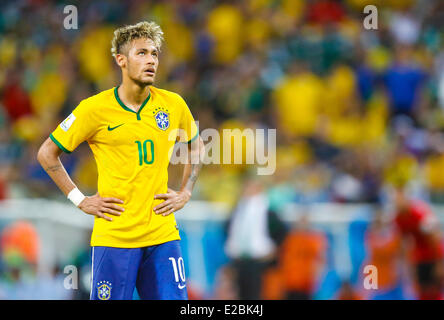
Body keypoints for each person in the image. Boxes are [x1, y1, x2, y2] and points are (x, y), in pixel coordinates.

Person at [37, 21, 205, 300]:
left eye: (154, 53)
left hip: (162, 236)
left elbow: (196, 147)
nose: (151, 60)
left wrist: (186, 191)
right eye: (141, 53)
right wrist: (79, 199)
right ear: (121, 60)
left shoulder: (173, 104)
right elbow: (46, 153)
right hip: (115, 237)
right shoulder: (94, 109)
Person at [393, 187, 444, 300]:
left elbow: (435, 237)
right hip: (419, 258)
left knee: (435, 291)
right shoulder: (398, 219)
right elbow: (403, 243)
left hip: (432, 256)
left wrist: (440, 263)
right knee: (421, 291)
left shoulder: (420, 213)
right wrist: (409, 265)